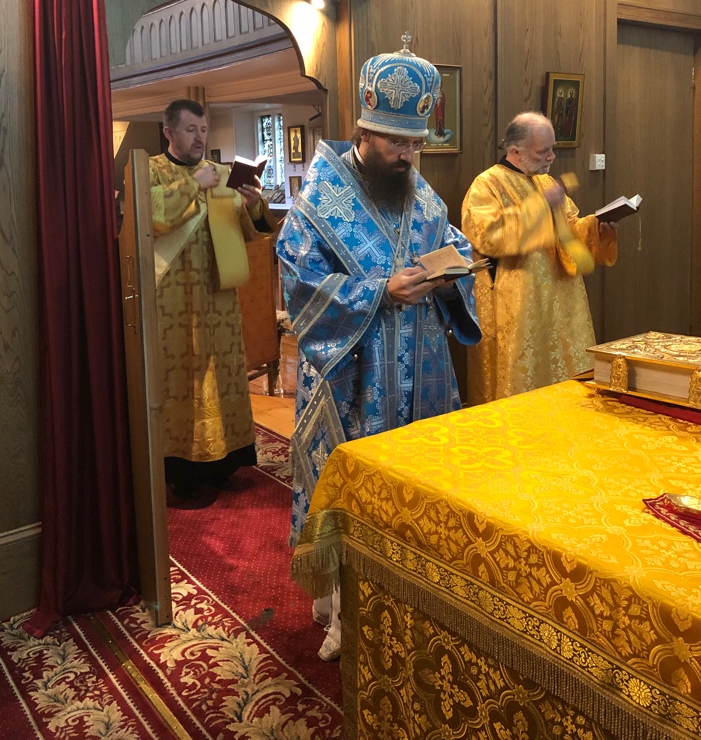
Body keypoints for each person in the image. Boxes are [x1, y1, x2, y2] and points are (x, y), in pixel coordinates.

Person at [277, 42, 481, 660]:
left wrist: (451, 274)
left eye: (416, 143)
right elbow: (300, 282)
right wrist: (378, 291)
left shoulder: (420, 192)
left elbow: (454, 243)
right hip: (353, 374)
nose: (408, 155)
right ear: (364, 131)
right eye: (397, 142)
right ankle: (346, 615)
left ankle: (412, 598)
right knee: (355, 495)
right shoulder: (320, 201)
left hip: (423, 368)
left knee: (418, 487)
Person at [149, 99, 277, 497]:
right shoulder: (150, 170)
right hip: (174, 302)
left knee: (223, 378)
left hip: (219, 299)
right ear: (169, 132)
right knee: (183, 380)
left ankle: (226, 461)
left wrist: (254, 206)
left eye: (203, 130)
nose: (199, 137)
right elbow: (154, 218)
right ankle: (183, 470)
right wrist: (193, 184)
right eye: (190, 130)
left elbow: (252, 232)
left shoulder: (222, 175)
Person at [461, 111, 618, 406]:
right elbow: (488, 236)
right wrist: (540, 206)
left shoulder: (546, 183)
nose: (551, 157)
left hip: (560, 300)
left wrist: (596, 229)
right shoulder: (487, 185)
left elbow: (568, 229)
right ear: (516, 151)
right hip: (519, 303)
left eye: (552, 148)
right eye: (543, 151)